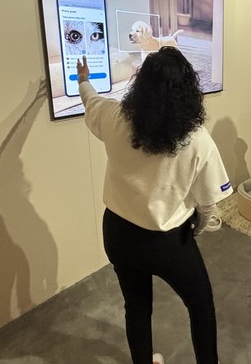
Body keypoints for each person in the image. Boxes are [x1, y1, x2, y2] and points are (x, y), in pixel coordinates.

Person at [76, 47, 233, 364]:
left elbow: (90, 101)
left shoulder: (115, 117)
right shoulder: (197, 139)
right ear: (189, 90)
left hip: (118, 233)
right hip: (168, 243)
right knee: (200, 305)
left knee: (136, 306)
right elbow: (208, 207)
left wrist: (83, 79)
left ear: (140, 84)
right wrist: (197, 229)